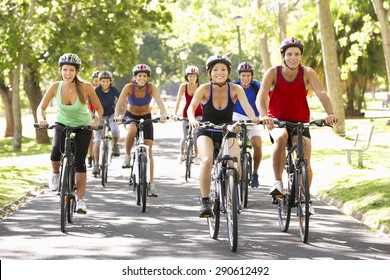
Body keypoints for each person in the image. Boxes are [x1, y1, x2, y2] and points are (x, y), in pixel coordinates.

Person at [256, 37, 337, 214]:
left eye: (297, 54)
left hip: (301, 123)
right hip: (277, 121)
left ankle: (304, 198)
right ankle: (277, 183)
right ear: (283, 56)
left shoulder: (307, 72)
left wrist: (330, 113)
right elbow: (261, 96)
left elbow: (321, 93)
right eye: (289, 54)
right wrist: (264, 115)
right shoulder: (273, 72)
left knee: (305, 161)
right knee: (281, 137)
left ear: (301, 56)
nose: (293, 57)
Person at [187, 54, 259, 217]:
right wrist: (192, 120)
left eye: (223, 69)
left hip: (227, 129)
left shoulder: (236, 89)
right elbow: (192, 107)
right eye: (216, 70)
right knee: (206, 161)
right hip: (206, 130)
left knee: (235, 163)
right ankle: (205, 201)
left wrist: (253, 117)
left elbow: (247, 107)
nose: (220, 72)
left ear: (228, 72)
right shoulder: (204, 89)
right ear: (209, 72)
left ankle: (234, 193)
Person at [36, 53, 103, 214]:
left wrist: (96, 121)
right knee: (54, 153)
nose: (68, 73)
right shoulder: (55, 86)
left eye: (71, 70)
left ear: (77, 71)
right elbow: (41, 107)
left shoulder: (86, 87)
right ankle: (56, 174)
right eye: (65, 69)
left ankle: (80, 200)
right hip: (62, 123)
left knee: (80, 162)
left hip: (83, 126)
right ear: (60, 70)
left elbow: (99, 109)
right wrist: (41, 119)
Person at [114, 64, 168, 197]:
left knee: (149, 151)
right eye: (139, 75)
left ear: (148, 77)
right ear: (135, 77)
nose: (142, 78)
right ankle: (127, 156)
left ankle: (151, 184)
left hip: (146, 118)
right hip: (130, 116)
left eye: (144, 76)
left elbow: (159, 102)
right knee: (131, 129)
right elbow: (120, 103)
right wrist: (117, 116)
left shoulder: (151, 87)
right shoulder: (128, 87)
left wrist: (163, 113)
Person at [233, 62, 263, 188]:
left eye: (248, 76)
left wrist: (262, 116)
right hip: (237, 116)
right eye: (243, 75)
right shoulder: (233, 86)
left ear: (252, 76)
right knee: (231, 137)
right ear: (239, 76)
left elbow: (263, 101)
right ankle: (232, 166)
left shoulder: (257, 86)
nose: (245, 78)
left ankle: (255, 173)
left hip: (253, 118)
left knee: (257, 144)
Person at [92, 70, 121, 176]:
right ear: (100, 81)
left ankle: (116, 145)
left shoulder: (113, 90)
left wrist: (119, 114)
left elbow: (121, 99)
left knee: (115, 130)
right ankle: (95, 165)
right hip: (99, 115)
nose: (105, 83)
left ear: (110, 81)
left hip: (111, 114)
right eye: (103, 81)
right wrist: (91, 114)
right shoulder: (96, 90)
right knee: (97, 140)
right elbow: (88, 103)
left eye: (107, 81)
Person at [173, 65, 202, 165]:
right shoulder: (183, 86)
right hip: (186, 114)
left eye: (194, 76)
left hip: (198, 114)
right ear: (187, 77)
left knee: (195, 135)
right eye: (190, 76)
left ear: (197, 76)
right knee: (185, 136)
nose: (192, 78)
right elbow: (178, 100)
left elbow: (205, 102)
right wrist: (175, 114)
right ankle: (181, 154)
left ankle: (196, 156)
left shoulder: (200, 86)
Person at [87, 70, 100, 168]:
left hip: (100, 115)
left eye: (98, 81)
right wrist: (91, 114)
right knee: (91, 138)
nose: (97, 83)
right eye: (95, 81)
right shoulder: (90, 90)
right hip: (90, 114)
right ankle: (90, 156)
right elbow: (87, 104)